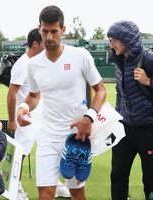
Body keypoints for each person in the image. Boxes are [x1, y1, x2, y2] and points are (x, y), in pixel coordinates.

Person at [17, 5, 106, 200]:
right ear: (39, 28)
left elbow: (100, 90)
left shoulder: (80, 55)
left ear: (63, 30)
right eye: (45, 31)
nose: (49, 37)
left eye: (54, 31)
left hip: (76, 137)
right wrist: (23, 107)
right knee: (45, 193)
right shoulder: (34, 64)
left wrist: (89, 117)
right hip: (47, 137)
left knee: (76, 192)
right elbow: (33, 95)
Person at [7, 28, 70, 200]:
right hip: (25, 119)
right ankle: (15, 189)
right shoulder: (22, 65)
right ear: (36, 43)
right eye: (44, 40)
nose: (48, 42)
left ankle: (55, 184)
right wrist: (12, 120)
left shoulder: (40, 61)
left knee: (52, 147)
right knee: (21, 153)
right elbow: (12, 94)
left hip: (42, 115)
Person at [107, 20, 153, 200]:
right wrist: (117, 117)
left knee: (150, 179)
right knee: (117, 175)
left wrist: (149, 82)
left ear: (126, 39)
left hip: (148, 129)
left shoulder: (148, 58)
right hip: (124, 128)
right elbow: (120, 93)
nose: (112, 45)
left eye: (114, 40)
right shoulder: (119, 61)